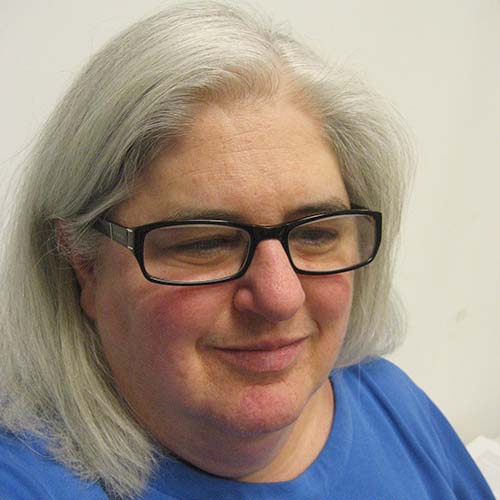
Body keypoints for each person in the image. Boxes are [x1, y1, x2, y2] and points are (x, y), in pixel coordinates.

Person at [0, 1, 494, 499]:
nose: (280, 297)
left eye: (315, 234)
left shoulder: (386, 400)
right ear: (82, 265)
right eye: (206, 242)